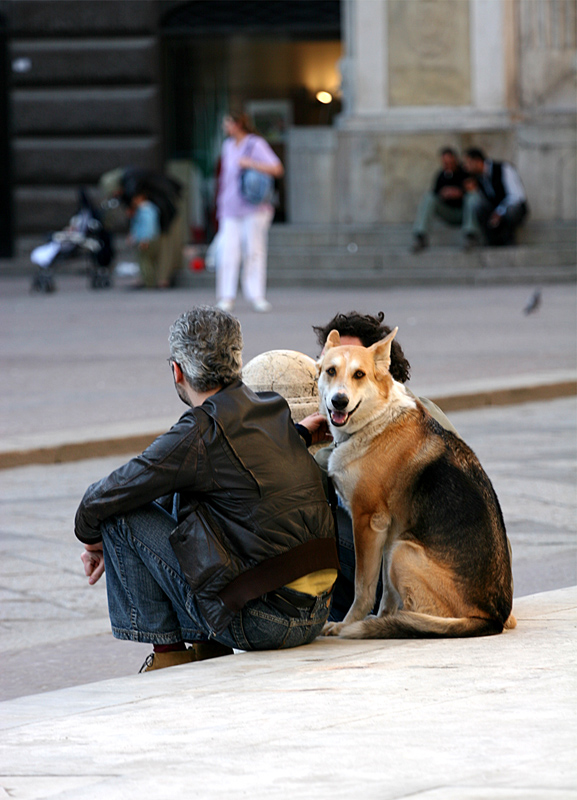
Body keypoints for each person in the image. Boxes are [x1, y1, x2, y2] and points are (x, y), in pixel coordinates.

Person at [76, 306, 338, 672]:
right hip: (316, 612)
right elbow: (249, 469)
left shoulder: (199, 431)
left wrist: (92, 539)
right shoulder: (271, 408)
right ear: (237, 360)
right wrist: (301, 432)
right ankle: (206, 646)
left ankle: (169, 657)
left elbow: (100, 498)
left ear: (177, 370)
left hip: (265, 624)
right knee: (180, 489)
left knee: (122, 513)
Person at [308, 311, 459, 622]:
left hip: (433, 574)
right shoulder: (395, 414)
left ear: (380, 366)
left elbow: (370, 511)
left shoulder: (408, 423)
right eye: (332, 367)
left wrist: (298, 441)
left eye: (357, 372)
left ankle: (344, 611)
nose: (341, 388)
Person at [215, 113, 284, 313]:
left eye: (227, 122)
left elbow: (277, 168)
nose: (224, 126)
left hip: (254, 207)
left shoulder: (255, 143)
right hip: (229, 206)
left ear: (237, 124)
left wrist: (251, 163)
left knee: (254, 250)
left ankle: (256, 295)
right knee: (228, 251)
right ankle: (226, 296)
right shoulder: (227, 145)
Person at [99, 167, 185, 288]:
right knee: (149, 256)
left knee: (164, 245)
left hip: (165, 213)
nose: (116, 195)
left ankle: (160, 279)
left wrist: (144, 236)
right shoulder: (134, 185)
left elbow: (147, 220)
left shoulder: (135, 188)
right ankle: (154, 279)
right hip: (161, 217)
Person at [411, 147, 480, 253]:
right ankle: (420, 236)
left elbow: (474, 189)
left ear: (455, 160)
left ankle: (470, 236)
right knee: (428, 197)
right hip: (448, 212)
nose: (448, 165)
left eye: (450, 162)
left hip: (465, 212)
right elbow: (435, 194)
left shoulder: (465, 172)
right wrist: (444, 194)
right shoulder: (441, 176)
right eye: (445, 163)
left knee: (472, 197)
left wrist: (460, 192)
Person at [463, 147, 529, 246]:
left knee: (512, 210)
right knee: (477, 206)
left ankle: (509, 238)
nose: (466, 167)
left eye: (468, 163)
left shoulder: (503, 168)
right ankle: (491, 240)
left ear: (477, 161)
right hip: (494, 212)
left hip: (509, 209)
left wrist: (499, 211)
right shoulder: (477, 178)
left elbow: (517, 196)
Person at [127, 192, 161, 289]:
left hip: (147, 239)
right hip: (149, 238)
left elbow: (148, 226)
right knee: (148, 261)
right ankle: (150, 281)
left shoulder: (146, 210)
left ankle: (149, 282)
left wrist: (145, 239)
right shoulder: (148, 209)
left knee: (145, 261)